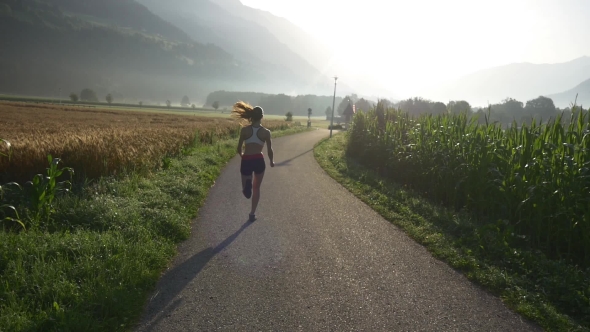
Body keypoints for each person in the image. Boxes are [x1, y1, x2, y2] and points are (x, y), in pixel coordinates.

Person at [232, 101, 275, 222]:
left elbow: (239, 148)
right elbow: (269, 149)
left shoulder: (244, 130)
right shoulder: (266, 132)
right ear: (262, 117)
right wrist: (271, 161)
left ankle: (247, 184)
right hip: (259, 160)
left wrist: (242, 156)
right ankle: (252, 213)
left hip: (247, 159)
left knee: (247, 193)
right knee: (257, 188)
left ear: (252, 116)